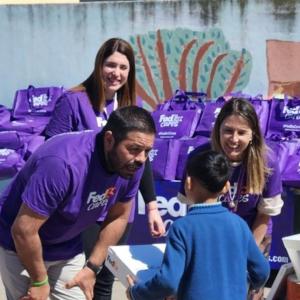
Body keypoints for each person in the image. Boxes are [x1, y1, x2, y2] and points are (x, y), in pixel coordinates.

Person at [43, 37, 165, 299]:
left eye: (123, 67)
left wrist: (152, 206)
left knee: (105, 281)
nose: (116, 73)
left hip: (119, 210)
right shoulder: (73, 101)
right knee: (81, 279)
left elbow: (143, 159)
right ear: (99, 65)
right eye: (111, 65)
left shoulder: (132, 107)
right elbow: (50, 151)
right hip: (82, 211)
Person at [0, 106, 156, 300]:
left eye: (147, 151)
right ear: (109, 139)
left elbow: (119, 216)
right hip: (20, 246)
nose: (141, 159)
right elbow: (23, 230)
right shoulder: (62, 164)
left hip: (67, 245)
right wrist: (39, 281)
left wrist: (92, 267)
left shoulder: (132, 164)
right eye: (133, 149)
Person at [126, 150, 270, 300]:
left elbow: (167, 282)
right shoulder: (239, 224)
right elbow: (261, 271)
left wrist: (136, 293)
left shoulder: (182, 228)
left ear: (188, 183)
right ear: (226, 187)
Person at [178, 98, 283, 300]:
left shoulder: (267, 163)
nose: (234, 139)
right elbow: (192, 210)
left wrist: (246, 253)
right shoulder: (200, 158)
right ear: (218, 129)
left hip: (253, 238)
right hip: (212, 240)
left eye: (241, 132)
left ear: (253, 135)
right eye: (228, 130)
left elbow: (264, 216)